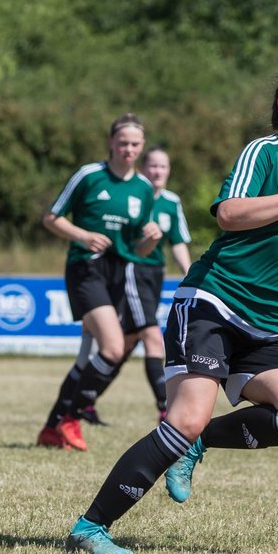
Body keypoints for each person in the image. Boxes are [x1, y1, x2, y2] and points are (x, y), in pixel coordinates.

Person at [64, 60, 278, 554]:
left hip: (267, 327)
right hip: (212, 305)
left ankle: (199, 445)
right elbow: (228, 215)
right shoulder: (264, 154)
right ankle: (90, 528)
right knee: (185, 418)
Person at [37, 113, 163, 452]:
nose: (128, 149)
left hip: (119, 274)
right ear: (111, 143)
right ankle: (71, 420)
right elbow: (52, 218)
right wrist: (83, 236)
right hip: (86, 269)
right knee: (111, 349)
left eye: (135, 144)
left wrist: (151, 238)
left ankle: (50, 430)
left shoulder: (143, 189)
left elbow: (138, 247)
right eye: (123, 143)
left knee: (86, 359)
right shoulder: (89, 175)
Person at [74, 145, 193, 426]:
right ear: (143, 168)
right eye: (152, 166)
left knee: (124, 344)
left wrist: (190, 274)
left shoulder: (171, 202)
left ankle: (84, 400)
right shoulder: (133, 197)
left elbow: (177, 241)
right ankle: (166, 408)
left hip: (155, 275)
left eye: (163, 167)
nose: (158, 171)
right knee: (151, 335)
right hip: (132, 271)